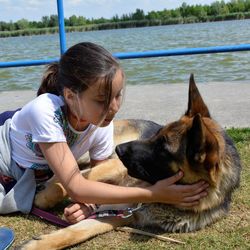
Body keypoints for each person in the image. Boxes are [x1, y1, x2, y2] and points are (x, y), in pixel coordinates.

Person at [0, 42, 209, 224]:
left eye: (118, 95)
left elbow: (96, 179)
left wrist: (89, 205)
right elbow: (76, 186)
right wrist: (153, 194)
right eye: (102, 100)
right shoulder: (45, 112)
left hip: (34, 174)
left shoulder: (100, 122)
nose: (114, 107)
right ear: (71, 96)